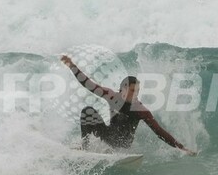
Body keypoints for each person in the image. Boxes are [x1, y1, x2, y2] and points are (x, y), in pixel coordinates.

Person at [61, 55, 197, 156]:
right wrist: (72, 65)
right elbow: (89, 84)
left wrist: (181, 148)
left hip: (123, 144)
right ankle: (85, 147)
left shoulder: (140, 110)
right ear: (123, 89)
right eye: (132, 90)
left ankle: (112, 152)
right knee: (88, 111)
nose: (135, 94)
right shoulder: (111, 96)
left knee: (121, 119)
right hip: (109, 136)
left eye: (137, 91)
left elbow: (159, 132)